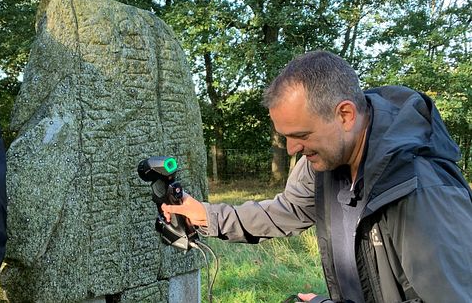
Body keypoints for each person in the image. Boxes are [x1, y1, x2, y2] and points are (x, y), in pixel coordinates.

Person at [162, 51, 472, 303]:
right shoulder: (326, 161)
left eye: (301, 135)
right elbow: (288, 211)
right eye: (285, 136)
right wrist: (207, 215)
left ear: (345, 115)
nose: (293, 149)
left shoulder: (421, 189)